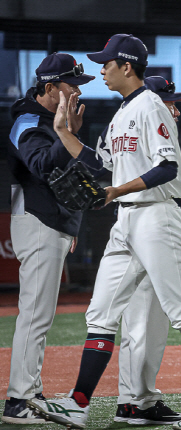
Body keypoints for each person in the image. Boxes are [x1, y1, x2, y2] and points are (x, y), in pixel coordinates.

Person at [27, 34, 181, 430]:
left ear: (127, 66)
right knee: (101, 312)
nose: (101, 69)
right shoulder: (122, 112)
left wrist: (118, 189)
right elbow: (105, 168)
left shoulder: (151, 106)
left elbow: (168, 169)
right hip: (127, 220)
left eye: (106, 63)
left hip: (155, 216)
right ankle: (79, 403)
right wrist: (66, 135)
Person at [112, 76, 181, 425]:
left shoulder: (131, 124)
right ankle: (136, 401)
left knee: (141, 322)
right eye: (169, 101)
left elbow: (177, 194)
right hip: (146, 228)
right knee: (149, 321)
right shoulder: (144, 127)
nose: (175, 108)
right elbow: (180, 182)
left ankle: (133, 400)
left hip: (139, 226)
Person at [3, 53, 94, 425]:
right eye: (71, 83)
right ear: (51, 86)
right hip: (36, 218)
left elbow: (68, 174)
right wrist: (65, 131)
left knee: (40, 314)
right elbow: (41, 166)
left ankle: (30, 392)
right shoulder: (29, 119)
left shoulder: (48, 119)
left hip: (49, 219)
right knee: (35, 315)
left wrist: (69, 224)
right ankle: (18, 400)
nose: (76, 90)